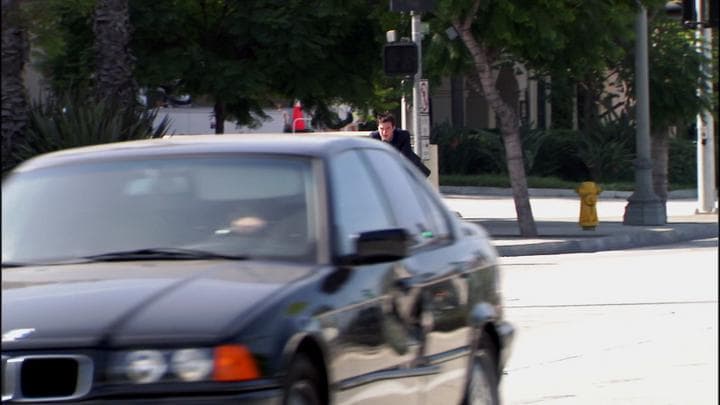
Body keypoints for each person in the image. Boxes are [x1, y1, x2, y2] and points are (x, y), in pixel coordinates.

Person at [370, 112, 431, 177]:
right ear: (378, 128)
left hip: (411, 166)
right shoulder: (374, 137)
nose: (384, 132)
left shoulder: (403, 135)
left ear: (393, 128)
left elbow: (405, 156)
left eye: (388, 128)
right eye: (381, 129)